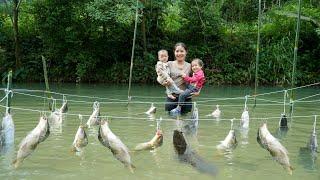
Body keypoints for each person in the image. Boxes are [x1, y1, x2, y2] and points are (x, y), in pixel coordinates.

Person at [164, 42, 193, 114]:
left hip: (186, 98)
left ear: (186, 52)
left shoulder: (190, 66)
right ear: (174, 52)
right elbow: (160, 77)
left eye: (182, 51)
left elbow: (197, 80)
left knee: (185, 121)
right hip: (172, 97)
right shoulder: (169, 64)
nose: (179, 53)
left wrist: (197, 91)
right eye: (177, 51)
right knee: (170, 121)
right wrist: (164, 83)